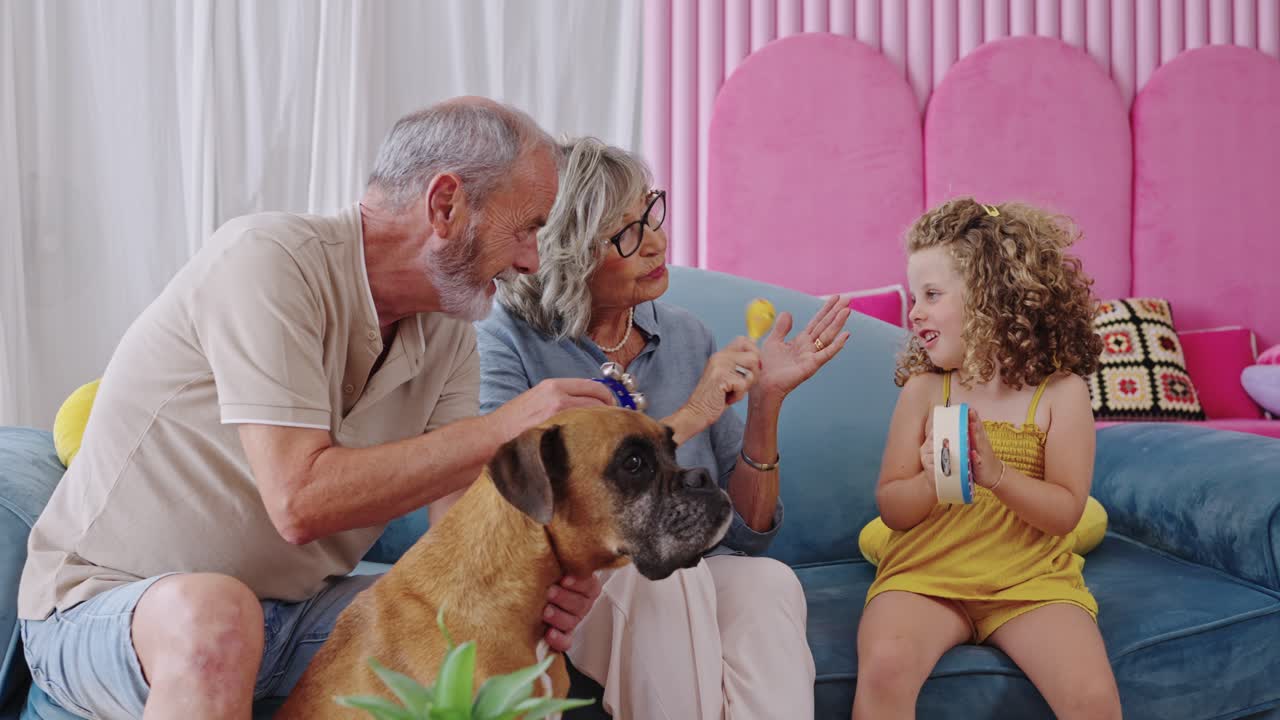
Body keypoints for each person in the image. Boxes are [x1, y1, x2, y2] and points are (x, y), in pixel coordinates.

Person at [17, 97, 614, 719]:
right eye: (527, 228)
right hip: (104, 609)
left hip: (290, 615)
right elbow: (299, 503)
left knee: (466, 636)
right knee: (219, 617)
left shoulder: (447, 334)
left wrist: (536, 585)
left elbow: (459, 541)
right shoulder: (267, 261)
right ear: (445, 205)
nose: (532, 261)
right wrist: (502, 429)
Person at [477, 137, 851, 719]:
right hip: (574, 579)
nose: (655, 240)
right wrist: (692, 414)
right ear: (568, 253)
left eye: (650, 213)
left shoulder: (683, 334)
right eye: (625, 233)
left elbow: (747, 535)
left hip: (684, 571)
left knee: (768, 583)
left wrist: (765, 404)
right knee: (666, 576)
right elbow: (509, 514)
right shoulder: (507, 342)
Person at [853, 198, 1121, 719]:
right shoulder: (925, 392)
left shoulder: (1062, 395)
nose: (914, 312)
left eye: (932, 295)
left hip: (1029, 581)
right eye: (915, 296)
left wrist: (997, 475)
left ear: (993, 299)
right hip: (925, 575)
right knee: (886, 666)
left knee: (1091, 698)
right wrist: (932, 479)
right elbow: (893, 507)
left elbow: (1066, 511)